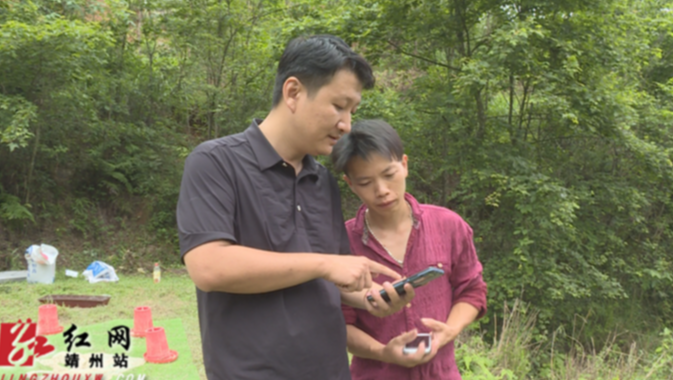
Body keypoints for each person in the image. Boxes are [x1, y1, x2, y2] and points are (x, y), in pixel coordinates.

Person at [176, 35, 415, 380]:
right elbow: (209, 267)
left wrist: (369, 298)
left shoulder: (323, 181)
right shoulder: (215, 162)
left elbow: (328, 283)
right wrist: (324, 263)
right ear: (293, 93)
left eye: (352, 111)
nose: (347, 124)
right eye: (338, 106)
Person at [330, 119, 488, 380]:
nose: (381, 191)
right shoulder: (341, 242)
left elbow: (472, 290)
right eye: (366, 182)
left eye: (389, 175)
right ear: (350, 184)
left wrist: (449, 330)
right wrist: (383, 352)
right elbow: (339, 323)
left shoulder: (448, 225)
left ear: (404, 165)